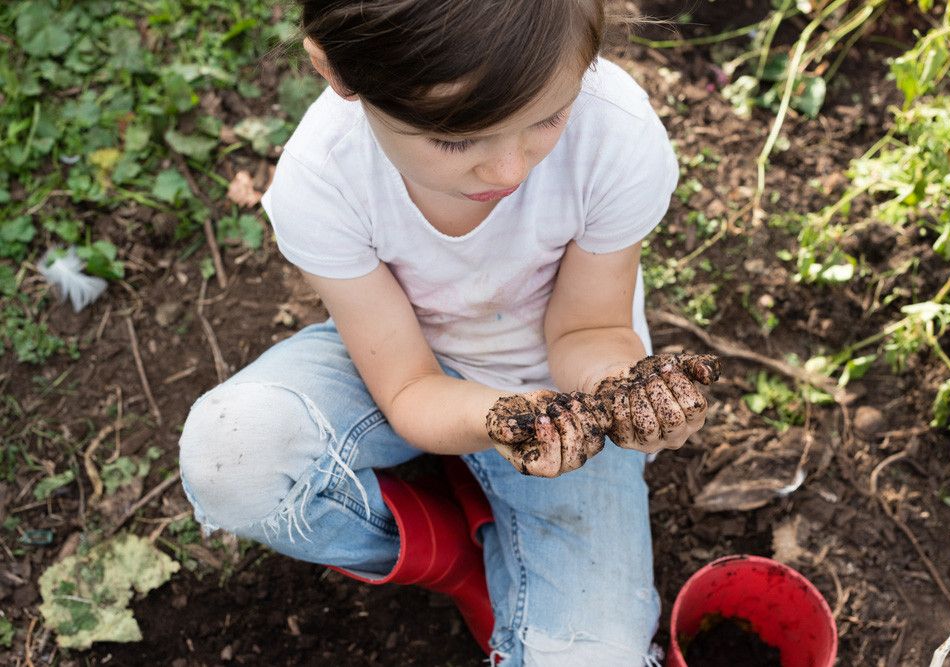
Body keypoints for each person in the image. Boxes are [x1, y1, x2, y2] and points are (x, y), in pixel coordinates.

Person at [179, 1, 716, 664]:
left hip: (560, 402)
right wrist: (493, 419)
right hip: (403, 363)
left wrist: (622, 393)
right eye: (458, 141)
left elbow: (590, 326)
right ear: (336, 70)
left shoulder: (615, 133)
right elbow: (406, 383)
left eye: (548, 117)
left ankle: (496, 538)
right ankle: (450, 556)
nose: (510, 171)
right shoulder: (324, 180)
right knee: (234, 458)